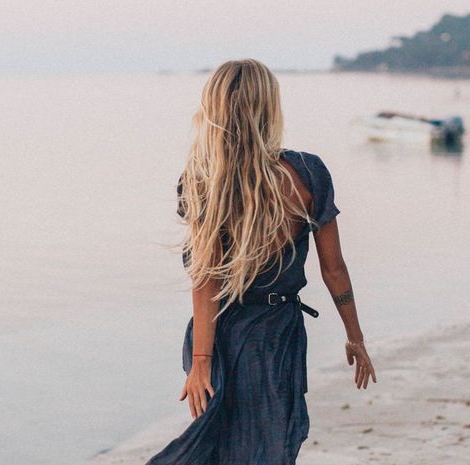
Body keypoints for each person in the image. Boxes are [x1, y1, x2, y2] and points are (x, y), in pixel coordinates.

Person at [145, 59, 376, 465]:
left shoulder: (202, 178)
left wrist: (200, 362)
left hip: (220, 334)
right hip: (276, 333)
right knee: (269, 445)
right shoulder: (306, 172)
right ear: (269, 106)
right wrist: (354, 336)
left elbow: (205, 280)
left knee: (219, 445)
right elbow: (333, 268)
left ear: (213, 107)